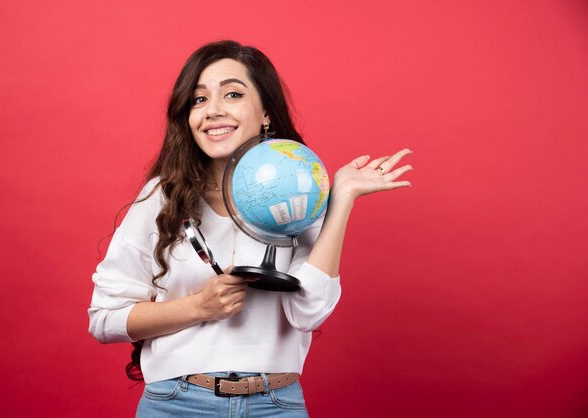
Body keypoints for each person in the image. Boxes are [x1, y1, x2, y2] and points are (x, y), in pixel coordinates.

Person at [88, 40, 413, 417]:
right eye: (198, 100)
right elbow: (104, 319)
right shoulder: (162, 197)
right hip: (176, 404)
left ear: (266, 114)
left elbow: (307, 312)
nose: (212, 111)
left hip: (275, 404)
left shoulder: (302, 192)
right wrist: (199, 306)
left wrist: (340, 201)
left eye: (232, 94)